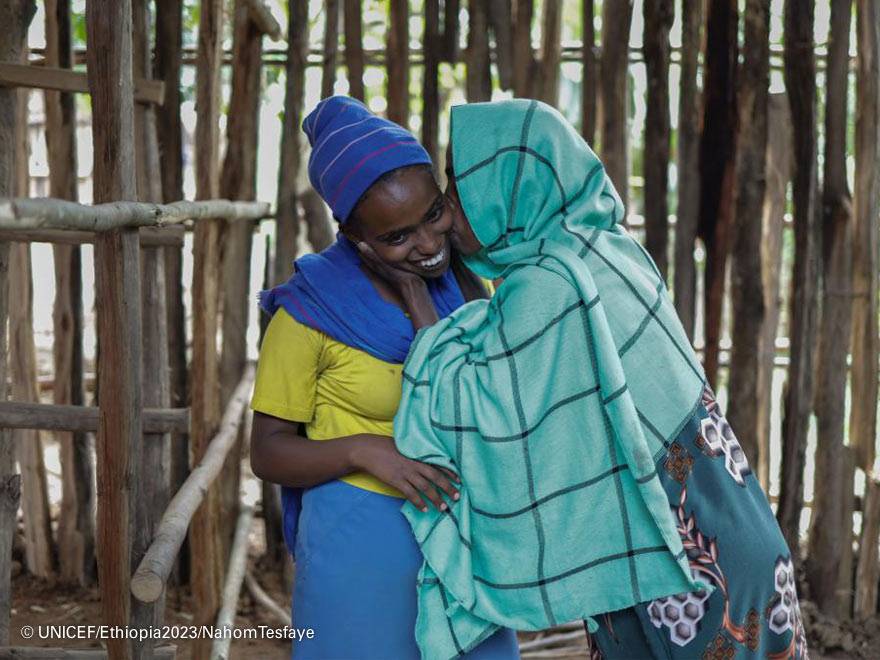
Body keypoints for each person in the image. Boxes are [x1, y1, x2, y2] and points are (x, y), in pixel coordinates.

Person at [361, 99, 807, 660]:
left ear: (508, 186)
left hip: (682, 567)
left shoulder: (553, 287)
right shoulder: (607, 249)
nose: (448, 213)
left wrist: (414, 293)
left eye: (458, 188)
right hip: (728, 543)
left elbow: (463, 410)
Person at [249, 96, 520, 659]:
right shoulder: (308, 313)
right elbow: (268, 453)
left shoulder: (472, 287)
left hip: (465, 537)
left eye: (433, 214)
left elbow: (478, 405)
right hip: (359, 542)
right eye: (397, 236)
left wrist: (418, 297)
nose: (426, 242)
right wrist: (365, 450)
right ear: (353, 236)